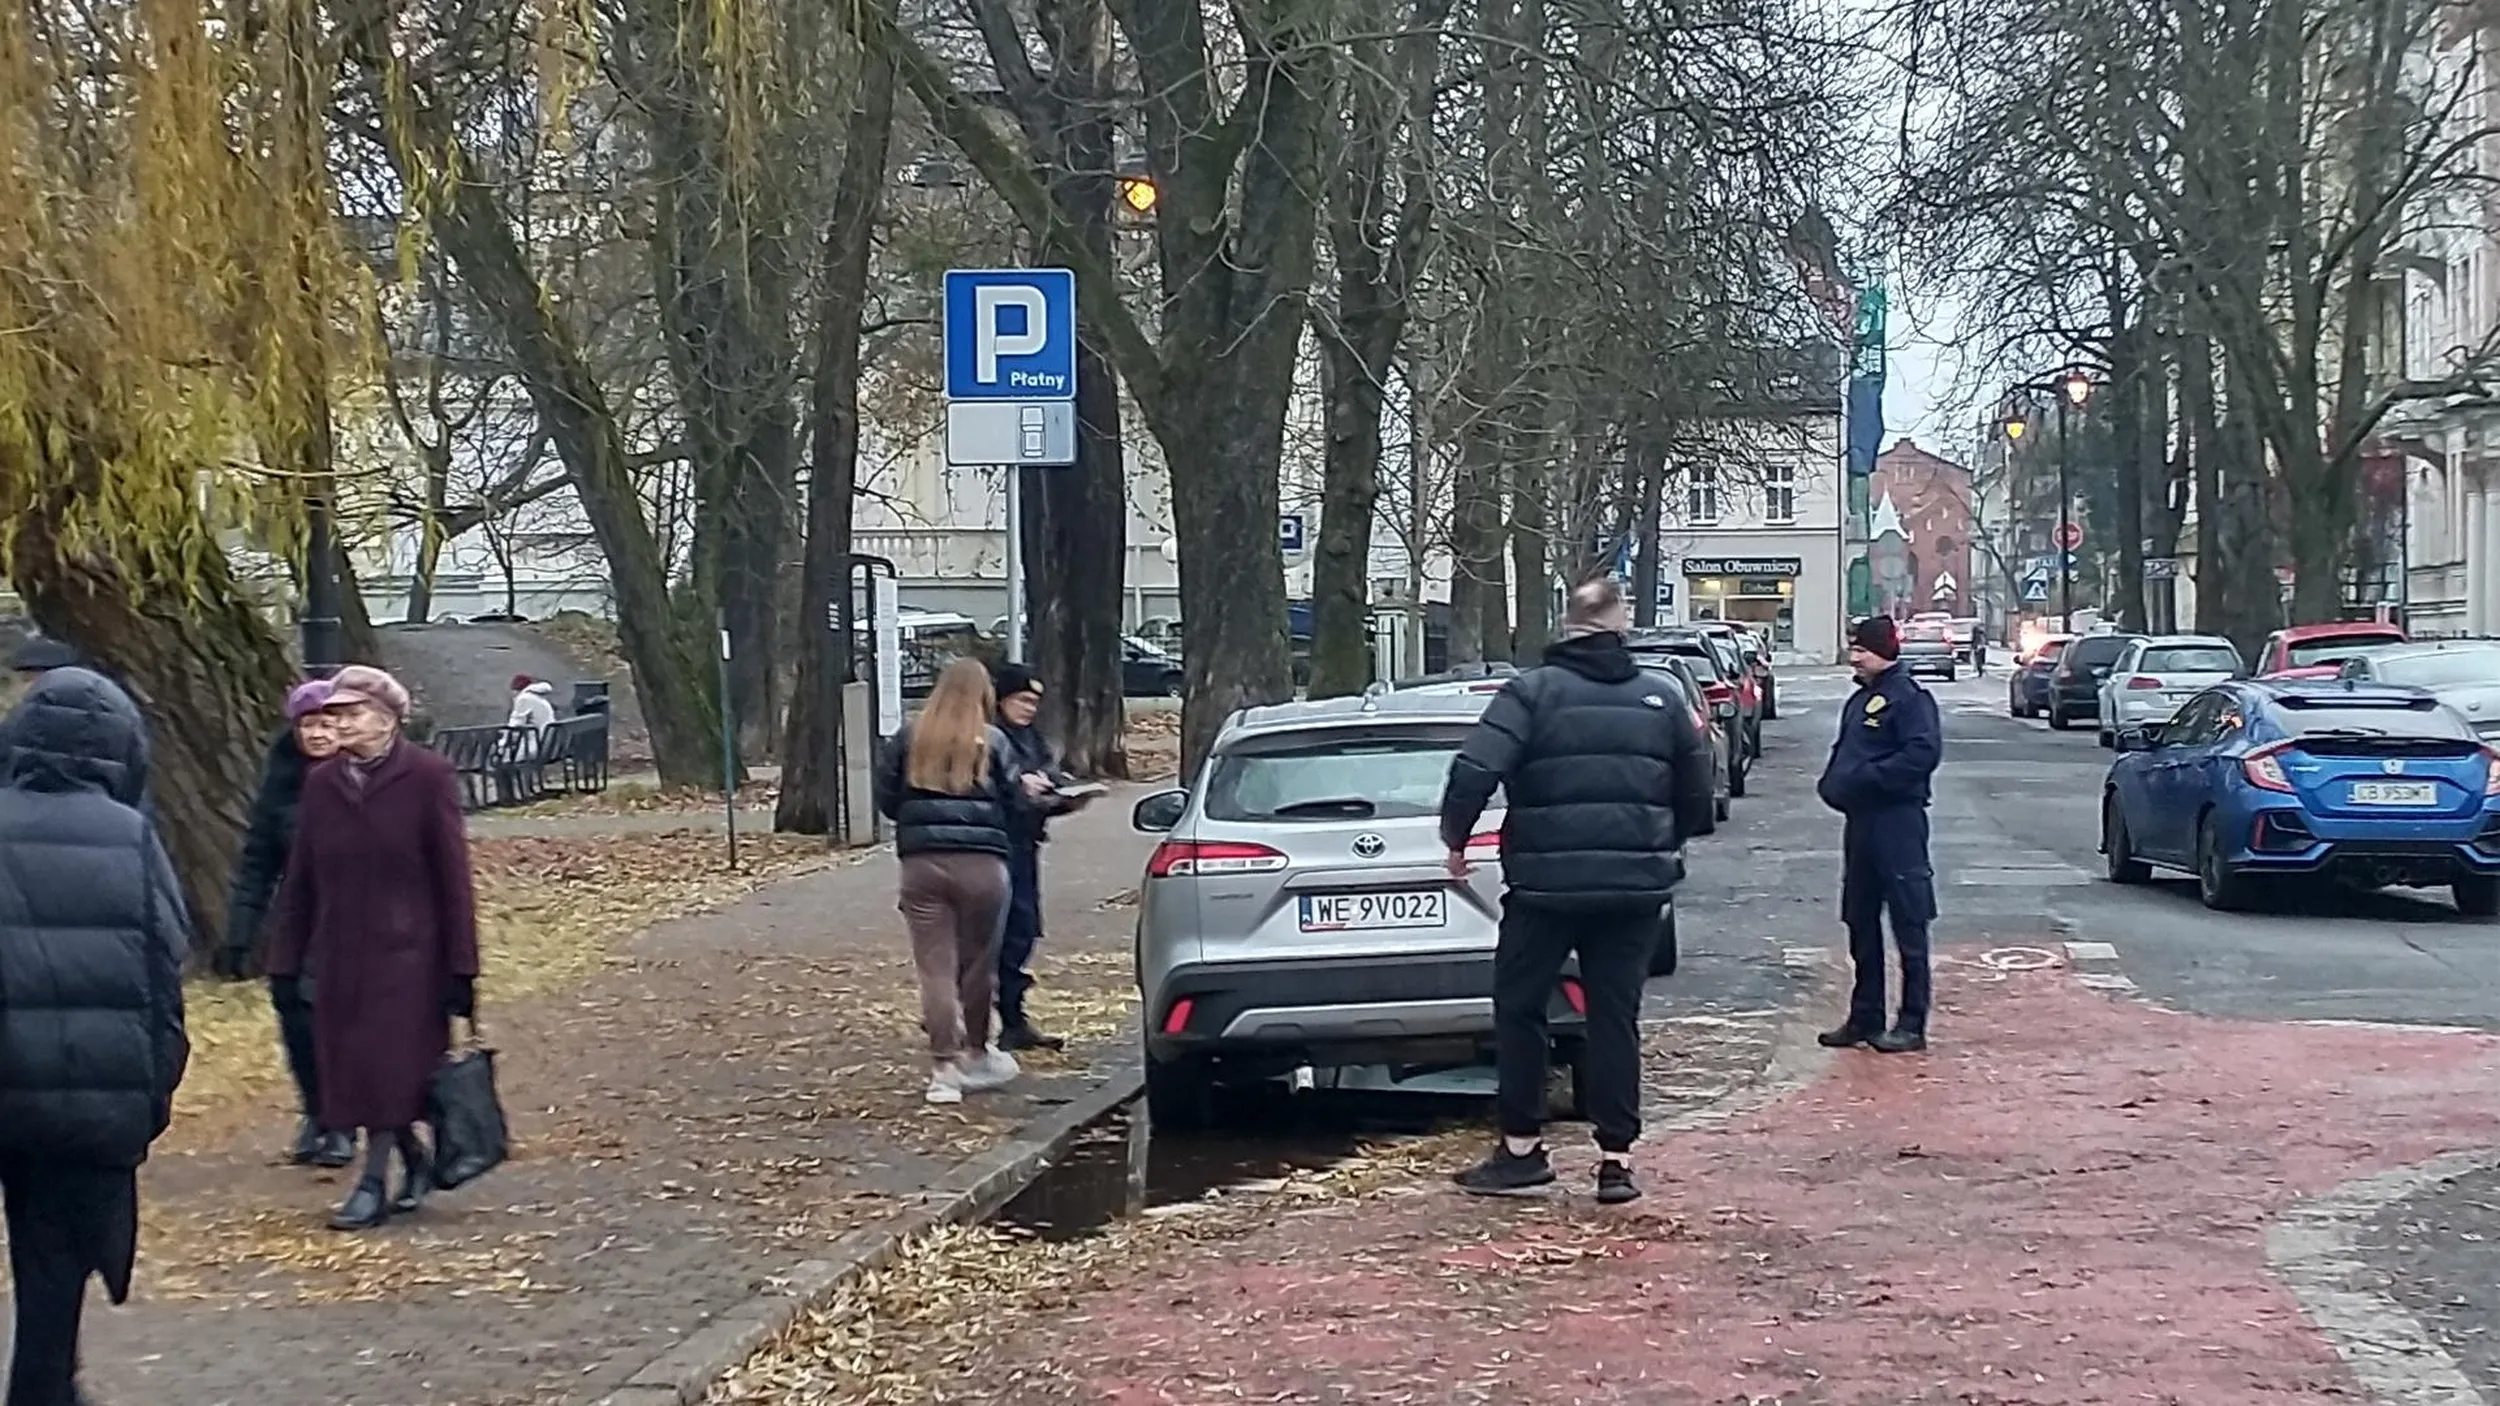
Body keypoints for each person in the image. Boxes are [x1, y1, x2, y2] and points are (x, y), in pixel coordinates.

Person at [1438, 578, 1715, 1205]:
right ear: (1621, 626)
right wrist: (1668, 838)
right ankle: (1615, 1160)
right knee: (1615, 1016)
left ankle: (1521, 1149)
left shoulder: (1530, 693)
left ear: (1568, 626)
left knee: (1520, 1007)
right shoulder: (1661, 695)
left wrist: (1456, 837)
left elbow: (1476, 769)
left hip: (1544, 887)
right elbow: (1696, 785)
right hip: (1634, 889)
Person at [0, 668, 190, 1406]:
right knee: (53, 1268)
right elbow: (160, 975)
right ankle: (42, 1390)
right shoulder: (132, 836)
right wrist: (149, 1098)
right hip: (81, 1106)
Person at [267, 664, 481, 1231]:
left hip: (409, 955)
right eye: (335, 714)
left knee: (387, 1067)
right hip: (338, 953)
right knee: (354, 1070)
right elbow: (302, 876)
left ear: (389, 720)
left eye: (353, 713)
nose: (341, 724)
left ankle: (370, 1181)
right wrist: (285, 955)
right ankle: (414, 1159)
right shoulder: (323, 784)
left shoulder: (427, 776)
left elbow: (452, 877)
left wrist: (462, 966)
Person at [878, 658, 1041, 1105]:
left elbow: (888, 799)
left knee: (935, 967)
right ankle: (977, 1050)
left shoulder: (909, 738)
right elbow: (1015, 803)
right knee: (977, 964)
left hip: (922, 865)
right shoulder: (993, 741)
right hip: (983, 865)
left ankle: (943, 1069)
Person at [215, 678, 353, 1168]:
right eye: (308, 725)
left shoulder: (363, 777)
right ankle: (316, 1112)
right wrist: (240, 931)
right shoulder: (282, 779)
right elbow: (257, 861)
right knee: (295, 1018)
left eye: (327, 723)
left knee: (337, 1022)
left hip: (353, 921)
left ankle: (343, 1121)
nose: (318, 735)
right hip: (297, 919)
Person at [1816, 616, 1945, 1054]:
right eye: (1853, 649)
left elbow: (1922, 754)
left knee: (1909, 920)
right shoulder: (1860, 701)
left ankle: (1912, 1021)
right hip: (1861, 823)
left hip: (1898, 821)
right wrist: (1834, 784)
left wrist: (1869, 779)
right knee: (1860, 917)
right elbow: (1844, 754)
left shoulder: (1909, 700)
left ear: (1884, 653)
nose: (1855, 657)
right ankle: (1865, 1014)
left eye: (1862, 651)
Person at [989, 662, 1094, 1052]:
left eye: (1035, 701)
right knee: (998, 930)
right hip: (996, 843)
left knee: (1023, 927)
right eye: (1022, 699)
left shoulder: (1029, 738)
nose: (1030, 707)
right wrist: (1022, 789)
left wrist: (1064, 799)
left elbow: (1047, 776)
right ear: (1001, 699)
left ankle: (1013, 1018)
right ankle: (980, 1017)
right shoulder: (990, 737)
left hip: (1024, 842)